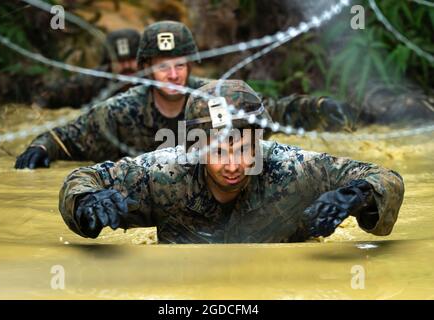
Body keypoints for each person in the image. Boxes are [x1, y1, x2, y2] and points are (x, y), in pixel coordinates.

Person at [58, 80, 404, 244]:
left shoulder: (293, 169)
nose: (234, 164)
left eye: (244, 148)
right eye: (219, 151)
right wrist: (87, 205)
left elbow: (384, 176)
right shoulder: (163, 175)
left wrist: (357, 196)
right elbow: (83, 178)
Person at [15, 20, 354, 170]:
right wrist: (41, 147)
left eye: (179, 65)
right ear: (146, 67)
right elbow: (68, 136)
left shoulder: (217, 96)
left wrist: (320, 107)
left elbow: (273, 112)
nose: (173, 76)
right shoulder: (121, 110)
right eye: (162, 67)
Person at [33, 29, 141, 109]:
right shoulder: (95, 81)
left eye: (132, 59)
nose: (127, 66)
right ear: (109, 64)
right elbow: (55, 92)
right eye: (120, 61)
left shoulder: (153, 78)